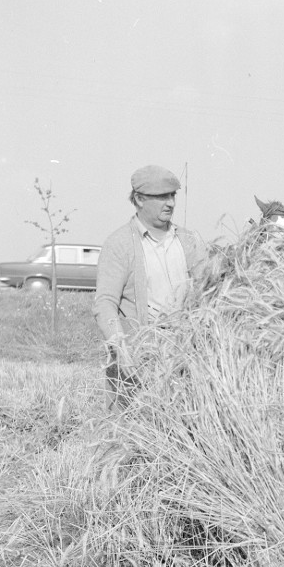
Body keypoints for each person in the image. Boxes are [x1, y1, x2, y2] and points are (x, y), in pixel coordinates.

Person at [93, 165, 209, 409]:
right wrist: (120, 347)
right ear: (139, 200)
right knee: (135, 431)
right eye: (161, 197)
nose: (170, 203)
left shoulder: (188, 241)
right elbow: (105, 303)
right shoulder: (120, 244)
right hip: (140, 357)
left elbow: (209, 290)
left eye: (172, 196)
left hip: (185, 354)